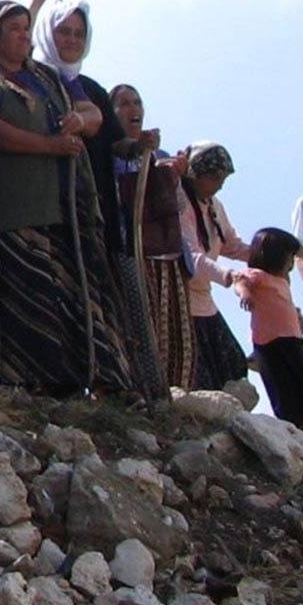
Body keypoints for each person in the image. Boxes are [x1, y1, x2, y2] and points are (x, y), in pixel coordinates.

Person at [0, 2, 137, 397]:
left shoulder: (48, 77)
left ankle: (105, 382)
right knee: (33, 292)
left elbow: (93, 114)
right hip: (21, 204)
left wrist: (78, 121)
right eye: (15, 29)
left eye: (26, 27)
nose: (25, 35)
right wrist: (48, 145)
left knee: (85, 291)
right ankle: (41, 384)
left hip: (71, 207)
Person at [109, 84, 193, 391]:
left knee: (177, 336)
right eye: (125, 104)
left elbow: (180, 205)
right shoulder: (110, 156)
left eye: (138, 102)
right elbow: (116, 198)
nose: (134, 109)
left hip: (170, 253)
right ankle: (146, 393)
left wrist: (173, 175)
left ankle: (178, 396)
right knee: (145, 328)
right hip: (136, 251)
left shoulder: (161, 156)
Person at [176, 141, 253, 392]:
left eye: (222, 179)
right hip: (183, 302)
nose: (219, 185)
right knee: (200, 379)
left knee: (232, 365)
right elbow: (192, 256)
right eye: (214, 178)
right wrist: (230, 276)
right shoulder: (180, 203)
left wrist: (266, 255)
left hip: (205, 301)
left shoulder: (214, 205)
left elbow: (231, 244)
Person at [235, 228, 303, 430]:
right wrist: (244, 294)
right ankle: (295, 430)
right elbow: (241, 281)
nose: (292, 263)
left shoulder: (282, 281)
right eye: (289, 257)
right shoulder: (258, 276)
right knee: (283, 392)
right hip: (271, 345)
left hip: (294, 341)